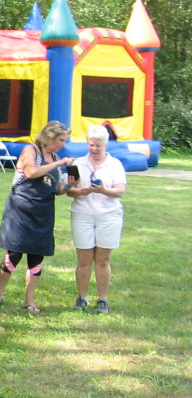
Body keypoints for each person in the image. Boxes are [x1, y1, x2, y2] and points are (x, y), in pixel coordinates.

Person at [0, 120, 74, 314]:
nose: (63, 144)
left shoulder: (55, 157)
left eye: (64, 140)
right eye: (60, 140)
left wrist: (69, 185)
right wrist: (60, 163)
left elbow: (58, 189)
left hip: (43, 213)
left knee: (37, 256)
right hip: (21, 211)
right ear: (49, 136)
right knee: (14, 253)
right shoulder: (31, 151)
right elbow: (30, 172)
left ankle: (29, 301)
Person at [67, 125, 126, 313]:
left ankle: (102, 300)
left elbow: (120, 191)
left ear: (106, 145)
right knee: (84, 259)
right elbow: (70, 193)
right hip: (82, 214)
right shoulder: (78, 163)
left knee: (102, 259)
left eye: (98, 146)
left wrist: (103, 190)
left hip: (108, 215)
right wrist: (77, 188)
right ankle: (82, 297)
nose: (94, 149)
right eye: (91, 145)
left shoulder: (115, 164)